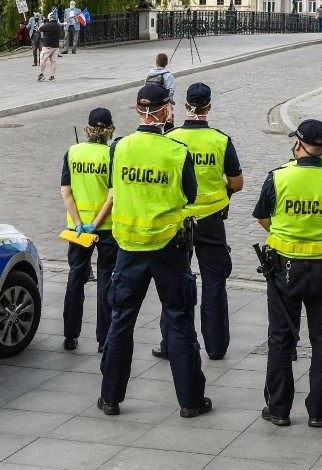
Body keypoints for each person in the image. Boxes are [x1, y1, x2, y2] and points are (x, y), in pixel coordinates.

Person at [98, 84, 211, 419]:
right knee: (178, 320)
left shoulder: (119, 148)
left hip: (128, 246)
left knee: (121, 321)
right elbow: (190, 196)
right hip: (168, 247)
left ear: (137, 110)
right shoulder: (177, 151)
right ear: (165, 112)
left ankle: (110, 398)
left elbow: (114, 186)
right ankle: (190, 401)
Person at [253, 119, 322, 428]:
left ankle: (279, 409)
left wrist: (285, 234)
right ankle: (319, 411)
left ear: (297, 144)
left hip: (285, 269)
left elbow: (262, 216)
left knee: (281, 338)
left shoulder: (279, 177)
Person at [150, 83, 243, 362]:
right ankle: (216, 347)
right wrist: (222, 192)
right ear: (209, 106)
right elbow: (237, 183)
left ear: (185, 105)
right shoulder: (220, 140)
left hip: (178, 222)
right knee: (214, 283)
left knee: (176, 281)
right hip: (212, 222)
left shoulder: (171, 138)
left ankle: (171, 344)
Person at [60, 108, 119, 353]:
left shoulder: (73, 152)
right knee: (105, 279)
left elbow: (65, 191)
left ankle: (70, 336)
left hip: (77, 229)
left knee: (76, 277)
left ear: (88, 128)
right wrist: (96, 222)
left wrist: (79, 221)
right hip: (105, 228)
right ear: (109, 130)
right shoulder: (112, 155)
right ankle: (103, 339)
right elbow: (112, 195)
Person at [38, 13, 61, 82]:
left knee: (43, 60)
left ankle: (41, 74)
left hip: (47, 46)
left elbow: (39, 29)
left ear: (49, 18)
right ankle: (52, 76)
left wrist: (42, 24)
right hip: (56, 46)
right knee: (53, 61)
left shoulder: (46, 25)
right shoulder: (58, 26)